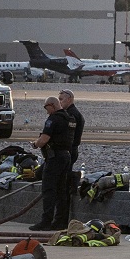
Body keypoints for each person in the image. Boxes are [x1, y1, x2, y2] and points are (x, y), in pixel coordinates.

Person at [30, 97, 74, 231]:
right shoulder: (70, 119)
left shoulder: (53, 119)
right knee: (61, 190)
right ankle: (60, 221)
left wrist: (35, 144)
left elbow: (44, 139)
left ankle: (46, 221)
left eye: (46, 107)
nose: (46, 111)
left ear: (52, 105)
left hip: (54, 157)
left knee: (49, 190)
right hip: (66, 156)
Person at [59, 89, 85, 165]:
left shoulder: (71, 114)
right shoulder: (73, 113)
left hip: (69, 150)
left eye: (61, 99)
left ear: (69, 99)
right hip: (71, 149)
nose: (59, 102)